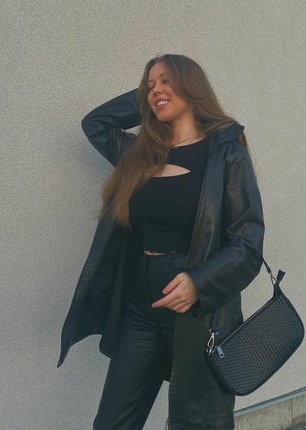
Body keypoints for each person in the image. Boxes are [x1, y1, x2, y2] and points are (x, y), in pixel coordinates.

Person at [57, 53, 265, 430]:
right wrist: (149, 96)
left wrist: (199, 282)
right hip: (141, 306)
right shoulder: (140, 153)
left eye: (167, 81)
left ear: (192, 86)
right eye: (149, 85)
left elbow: (248, 241)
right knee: (112, 422)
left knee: (197, 423)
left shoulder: (225, 153)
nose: (156, 90)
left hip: (199, 311)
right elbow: (96, 124)